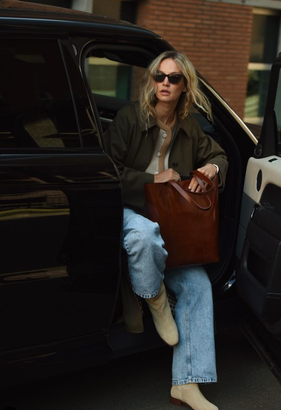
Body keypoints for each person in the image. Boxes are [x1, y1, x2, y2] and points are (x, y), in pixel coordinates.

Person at [104, 50, 228, 410]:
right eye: (159, 76)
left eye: (173, 78)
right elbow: (105, 169)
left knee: (199, 284)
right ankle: (156, 300)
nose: (165, 83)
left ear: (185, 85)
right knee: (143, 235)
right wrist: (150, 179)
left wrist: (211, 170)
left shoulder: (189, 127)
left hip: (173, 223)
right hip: (131, 211)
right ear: (151, 80)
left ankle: (186, 384)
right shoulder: (130, 119)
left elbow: (221, 156)